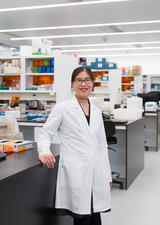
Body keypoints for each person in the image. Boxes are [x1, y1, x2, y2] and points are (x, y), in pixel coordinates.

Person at [37, 66, 112, 225]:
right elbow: (45, 133)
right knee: (82, 216)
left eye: (87, 80)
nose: (83, 84)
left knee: (95, 215)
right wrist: (44, 151)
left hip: (96, 170)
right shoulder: (62, 108)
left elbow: (102, 145)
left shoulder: (97, 111)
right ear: (72, 84)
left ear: (92, 83)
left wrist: (107, 175)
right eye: (79, 80)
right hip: (76, 170)